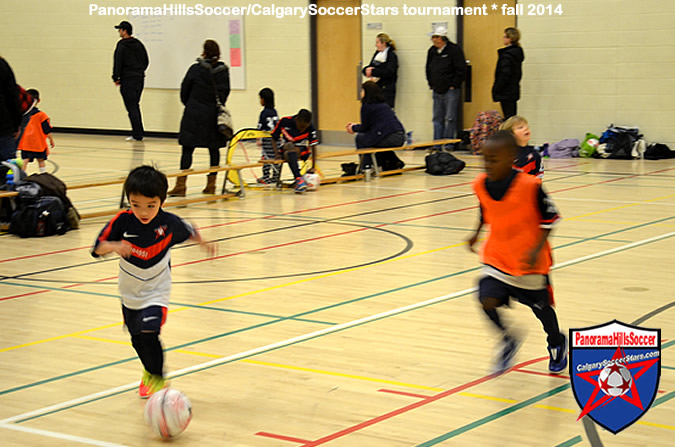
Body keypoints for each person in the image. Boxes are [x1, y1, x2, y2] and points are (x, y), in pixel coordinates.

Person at [92, 165, 215, 398]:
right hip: (129, 291)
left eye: (151, 205)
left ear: (162, 201)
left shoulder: (169, 223)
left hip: (157, 290)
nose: (143, 211)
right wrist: (115, 246)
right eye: (135, 204)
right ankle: (149, 371)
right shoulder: (121, 222)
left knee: (149, 332)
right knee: (137, 338)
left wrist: (202, 242)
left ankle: (159, 379)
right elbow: (97, 248)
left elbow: (189, 230)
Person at [466, 131, 567, 375]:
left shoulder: (530, 186)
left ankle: (556, 342)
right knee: (486, 298)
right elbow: (485, 210)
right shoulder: (481, 184)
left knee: (542, 310)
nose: (487, 165)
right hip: (497, 257)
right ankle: (508, 339)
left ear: (511, 157)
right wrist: (475, 233)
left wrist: (534, 250)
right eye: (485, 159)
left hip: (529, 262)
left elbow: (551, 218)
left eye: (494, 159)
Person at [169, 40, 231, 197]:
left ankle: (181, 186)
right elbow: (225, 93)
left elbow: (184, 90)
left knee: (188, 148)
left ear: (204, 51)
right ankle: (211, 185)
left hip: (194, 114)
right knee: (214, 149)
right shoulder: (223, 71)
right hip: (212, 115)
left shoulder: (196, 69)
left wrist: (190, 104)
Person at [346, 81, 405, 172]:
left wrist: (353, 128)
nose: (360, 93)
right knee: (374, 139)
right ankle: (393, 162)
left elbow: (365, 127)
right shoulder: (384, 105)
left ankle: (366, 166)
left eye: (362, 90)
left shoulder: (367, 106)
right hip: (400, 137)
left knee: (361, 138)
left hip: (388, 137)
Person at [425, 26, 467, 151]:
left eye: (435, 37)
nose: (433, 40)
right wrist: (431, 83)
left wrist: (454, 84)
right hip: (436, 89)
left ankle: (448, 143)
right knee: (437, 118)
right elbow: (428, 68)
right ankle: (437, 144)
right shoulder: (432, 51)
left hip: (451, 90)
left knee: (450, 117)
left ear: (442, 38)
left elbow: (461, 69)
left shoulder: (454, 50)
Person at [112, 21, 149, 142]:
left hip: (128, 79)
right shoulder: (139, 44)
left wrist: (116, 77)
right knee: (135, 105)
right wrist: (139, 72)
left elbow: (118, 62)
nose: (119, 32)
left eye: (120, 30)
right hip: (139, 79)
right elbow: (146, 61)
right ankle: (138, 132)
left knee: (131, 107)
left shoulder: (122, 45)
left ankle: (137, 133)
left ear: (124, 31)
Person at [270, 109, 318, 194]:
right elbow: (273, 138)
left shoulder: (310, 126)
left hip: (302, 150)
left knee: (290, 149)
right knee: (289, 147)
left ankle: (298, 179)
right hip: (286, 149)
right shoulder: (285, 121)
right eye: (301, 126)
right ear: (297, 120)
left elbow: (313, 145)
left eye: (305, 127)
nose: (302, 129)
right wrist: (276, 153)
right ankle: (299, 179)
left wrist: (313, 166)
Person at [18, 89, 54, 173]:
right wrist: (51, 139)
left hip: (26, 143)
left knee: (25, 160)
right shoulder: (41, 115)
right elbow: (47, 129)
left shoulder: (22, 114)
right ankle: (43, 174)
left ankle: (22, 176)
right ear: (39, 100)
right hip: (38, 143)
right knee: (41, 160)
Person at [492, 27, 524, 119]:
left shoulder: (507, 56)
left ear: (510, 39)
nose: (503, 38)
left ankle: (510, 133)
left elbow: (504, 74)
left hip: (506, 89)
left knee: (509, 117)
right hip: (513, 88)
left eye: (504, 37)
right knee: (511, 115)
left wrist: (496, 88)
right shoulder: (516, 53)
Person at [362, 33, 399, 108]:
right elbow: (371, 66)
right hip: (376, 87)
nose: (376, 45)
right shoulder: (377, 54)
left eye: (377, 42)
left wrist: (373, 72)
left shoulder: (391, 56)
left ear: (383, 43)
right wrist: (365, 70)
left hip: (386, 89)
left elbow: (389, 72)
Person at [0, 56, 21, 162]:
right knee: (9, 169)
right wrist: (16, 125)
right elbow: (12, 97)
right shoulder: (2, 64)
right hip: (3, 128)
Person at [256, 87, 279, 185]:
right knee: (275, 157)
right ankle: (275, 176)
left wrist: (258, 139)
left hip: (267, 139)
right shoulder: (274, 111)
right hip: (276, 138)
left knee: (266, 157)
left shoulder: (264, 113)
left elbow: (260, 127)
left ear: (263, 100)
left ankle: (266, 177)